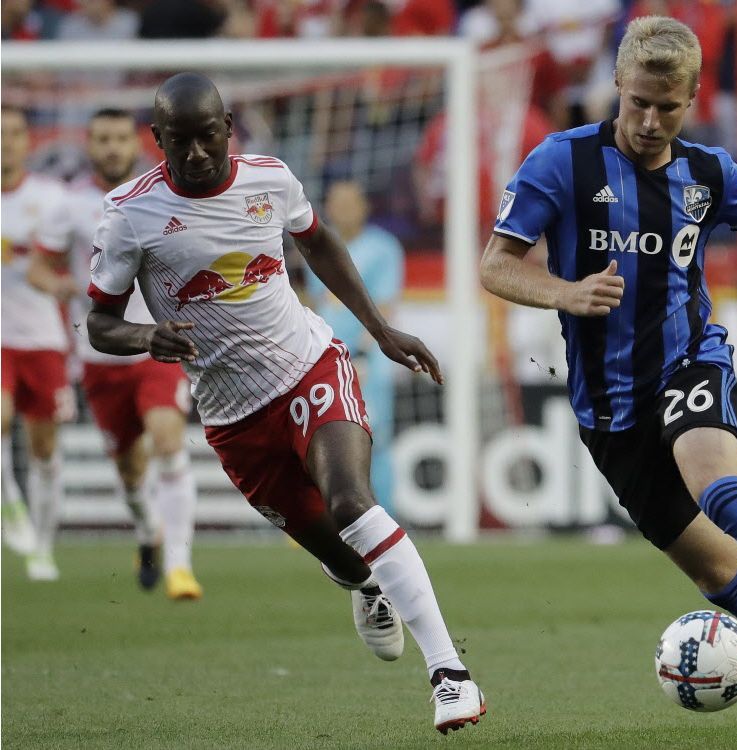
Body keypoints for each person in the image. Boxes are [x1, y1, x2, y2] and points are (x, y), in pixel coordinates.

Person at [480, 16, 737, 740]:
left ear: (693, 99)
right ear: (616, 84)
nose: (650, 121)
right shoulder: (562, 162)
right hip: (608, 412)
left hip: (688, 362)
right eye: (638, 101)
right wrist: (565, 292)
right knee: (722, 580)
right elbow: (495, 263)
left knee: (722, 491)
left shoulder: (707, 174)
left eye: (667, 107)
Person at [86, 72, 485, 734]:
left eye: (206, 137)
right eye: (177, 143)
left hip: (308, 367)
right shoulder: (130, 213)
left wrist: (380, 330)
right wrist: (143, 334)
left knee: (354, 502)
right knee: (344, 554)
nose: (194, 155)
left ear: (229, 126)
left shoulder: (270, 179)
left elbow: (318, 240)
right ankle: (366, 587)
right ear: (155, 140)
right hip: (233, 418)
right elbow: (98, 323)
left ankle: (450, 675)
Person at [68, 108, 202, 599]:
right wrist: (66, 284)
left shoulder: (161, 196)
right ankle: (148, 531)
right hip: (101, 356)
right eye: (101, 138)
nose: (111, 148)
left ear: (137, 143)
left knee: (168, 441)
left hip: (156, 344)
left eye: (119, 138)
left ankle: (180, 566)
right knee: (129, 472)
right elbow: (42, 264)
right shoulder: (68, 205)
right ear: (89, 144)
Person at [1, 106, 75, 581]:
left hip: (44, 339)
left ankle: (43, 547)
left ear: (29, 142)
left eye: (14, 134)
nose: (6, 142)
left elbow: (69, 258)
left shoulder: (51, 198)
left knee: (44, 451)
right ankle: (11, 510)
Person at [303, 181, 403, 514]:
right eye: (337, 202)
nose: (343, 210)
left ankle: (385, 516)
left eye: (350, 202)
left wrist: (362, 353)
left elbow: (385, 306)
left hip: (367, 361)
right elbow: (315, 304)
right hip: (324, 359)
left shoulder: (383, 248)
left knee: (375, 437)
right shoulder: (317, 246)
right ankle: (332, 518)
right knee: (326, 439)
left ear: (364, 207)